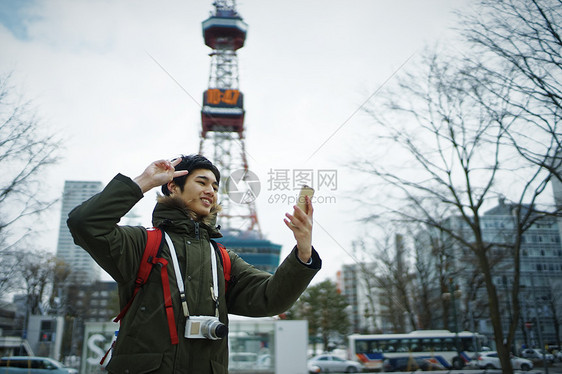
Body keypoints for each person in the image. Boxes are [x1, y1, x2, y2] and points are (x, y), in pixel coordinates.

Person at [67, 155, 321, 374]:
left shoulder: (223, 259)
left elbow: (271, 298)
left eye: (215, 185)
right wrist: (144, 182)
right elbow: (85, 224)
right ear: (173, 187)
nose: (211, 190)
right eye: (201, 182)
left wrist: (303, 251)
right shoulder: (142, 244)